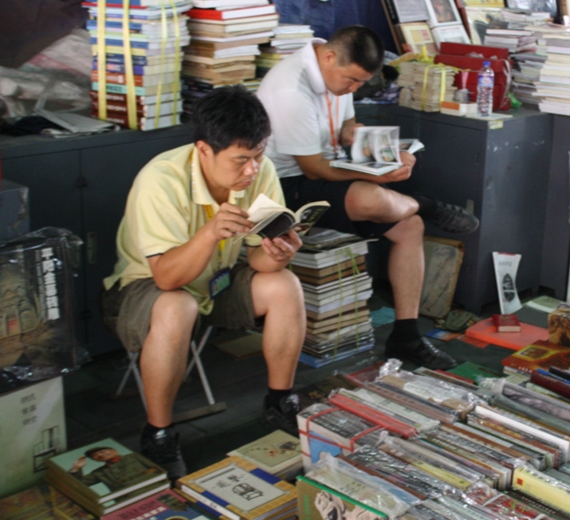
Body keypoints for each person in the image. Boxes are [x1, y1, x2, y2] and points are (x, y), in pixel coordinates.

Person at [102, 86, 306, 479]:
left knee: (284, 284)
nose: (252, 170)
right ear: (204, 150)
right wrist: (210, 233)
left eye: (259, 156)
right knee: (179, 304)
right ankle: (158, 432)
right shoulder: (160, 179)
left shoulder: (259, 172)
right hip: (143, 290)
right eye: (241, 160)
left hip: (217, 281)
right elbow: (165, 277)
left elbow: (260, 260)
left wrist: (279, 252)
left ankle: (280, 402)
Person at [256, 25, 479, 371]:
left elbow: (348, 131)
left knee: (410, 226)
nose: (355, 89)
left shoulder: (338, 72)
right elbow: (314, 170)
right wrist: (378, 175)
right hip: (282, 186)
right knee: (370, 199)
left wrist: (389, 154)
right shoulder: (290, 88)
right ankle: (428, 203)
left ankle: (406, 336)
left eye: (361, 83)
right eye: (352, 81)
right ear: (329, 57)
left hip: (323, 169)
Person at [69, 446, 158, 492]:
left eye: (102, 451)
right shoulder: (98, 472)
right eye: (95, 456)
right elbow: (77, 485)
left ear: (115, 451)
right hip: (127, 500)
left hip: (154, 489)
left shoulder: (133, 456)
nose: (100, 455)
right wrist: (76, 468)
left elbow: (158, 468)